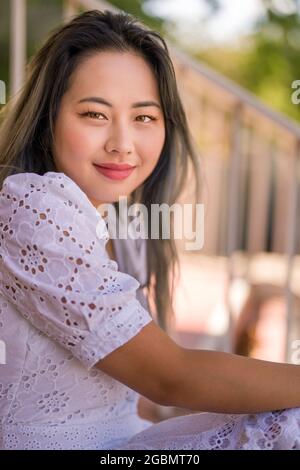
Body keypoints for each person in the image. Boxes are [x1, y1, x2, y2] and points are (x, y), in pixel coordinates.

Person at [0, 9, 300, 451]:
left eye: (144, 118)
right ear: (48, 120)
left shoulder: (122, 224)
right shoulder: (31, 209)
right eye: (94, 114)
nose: (123, 143)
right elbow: (168, 377)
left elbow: (134, 400)